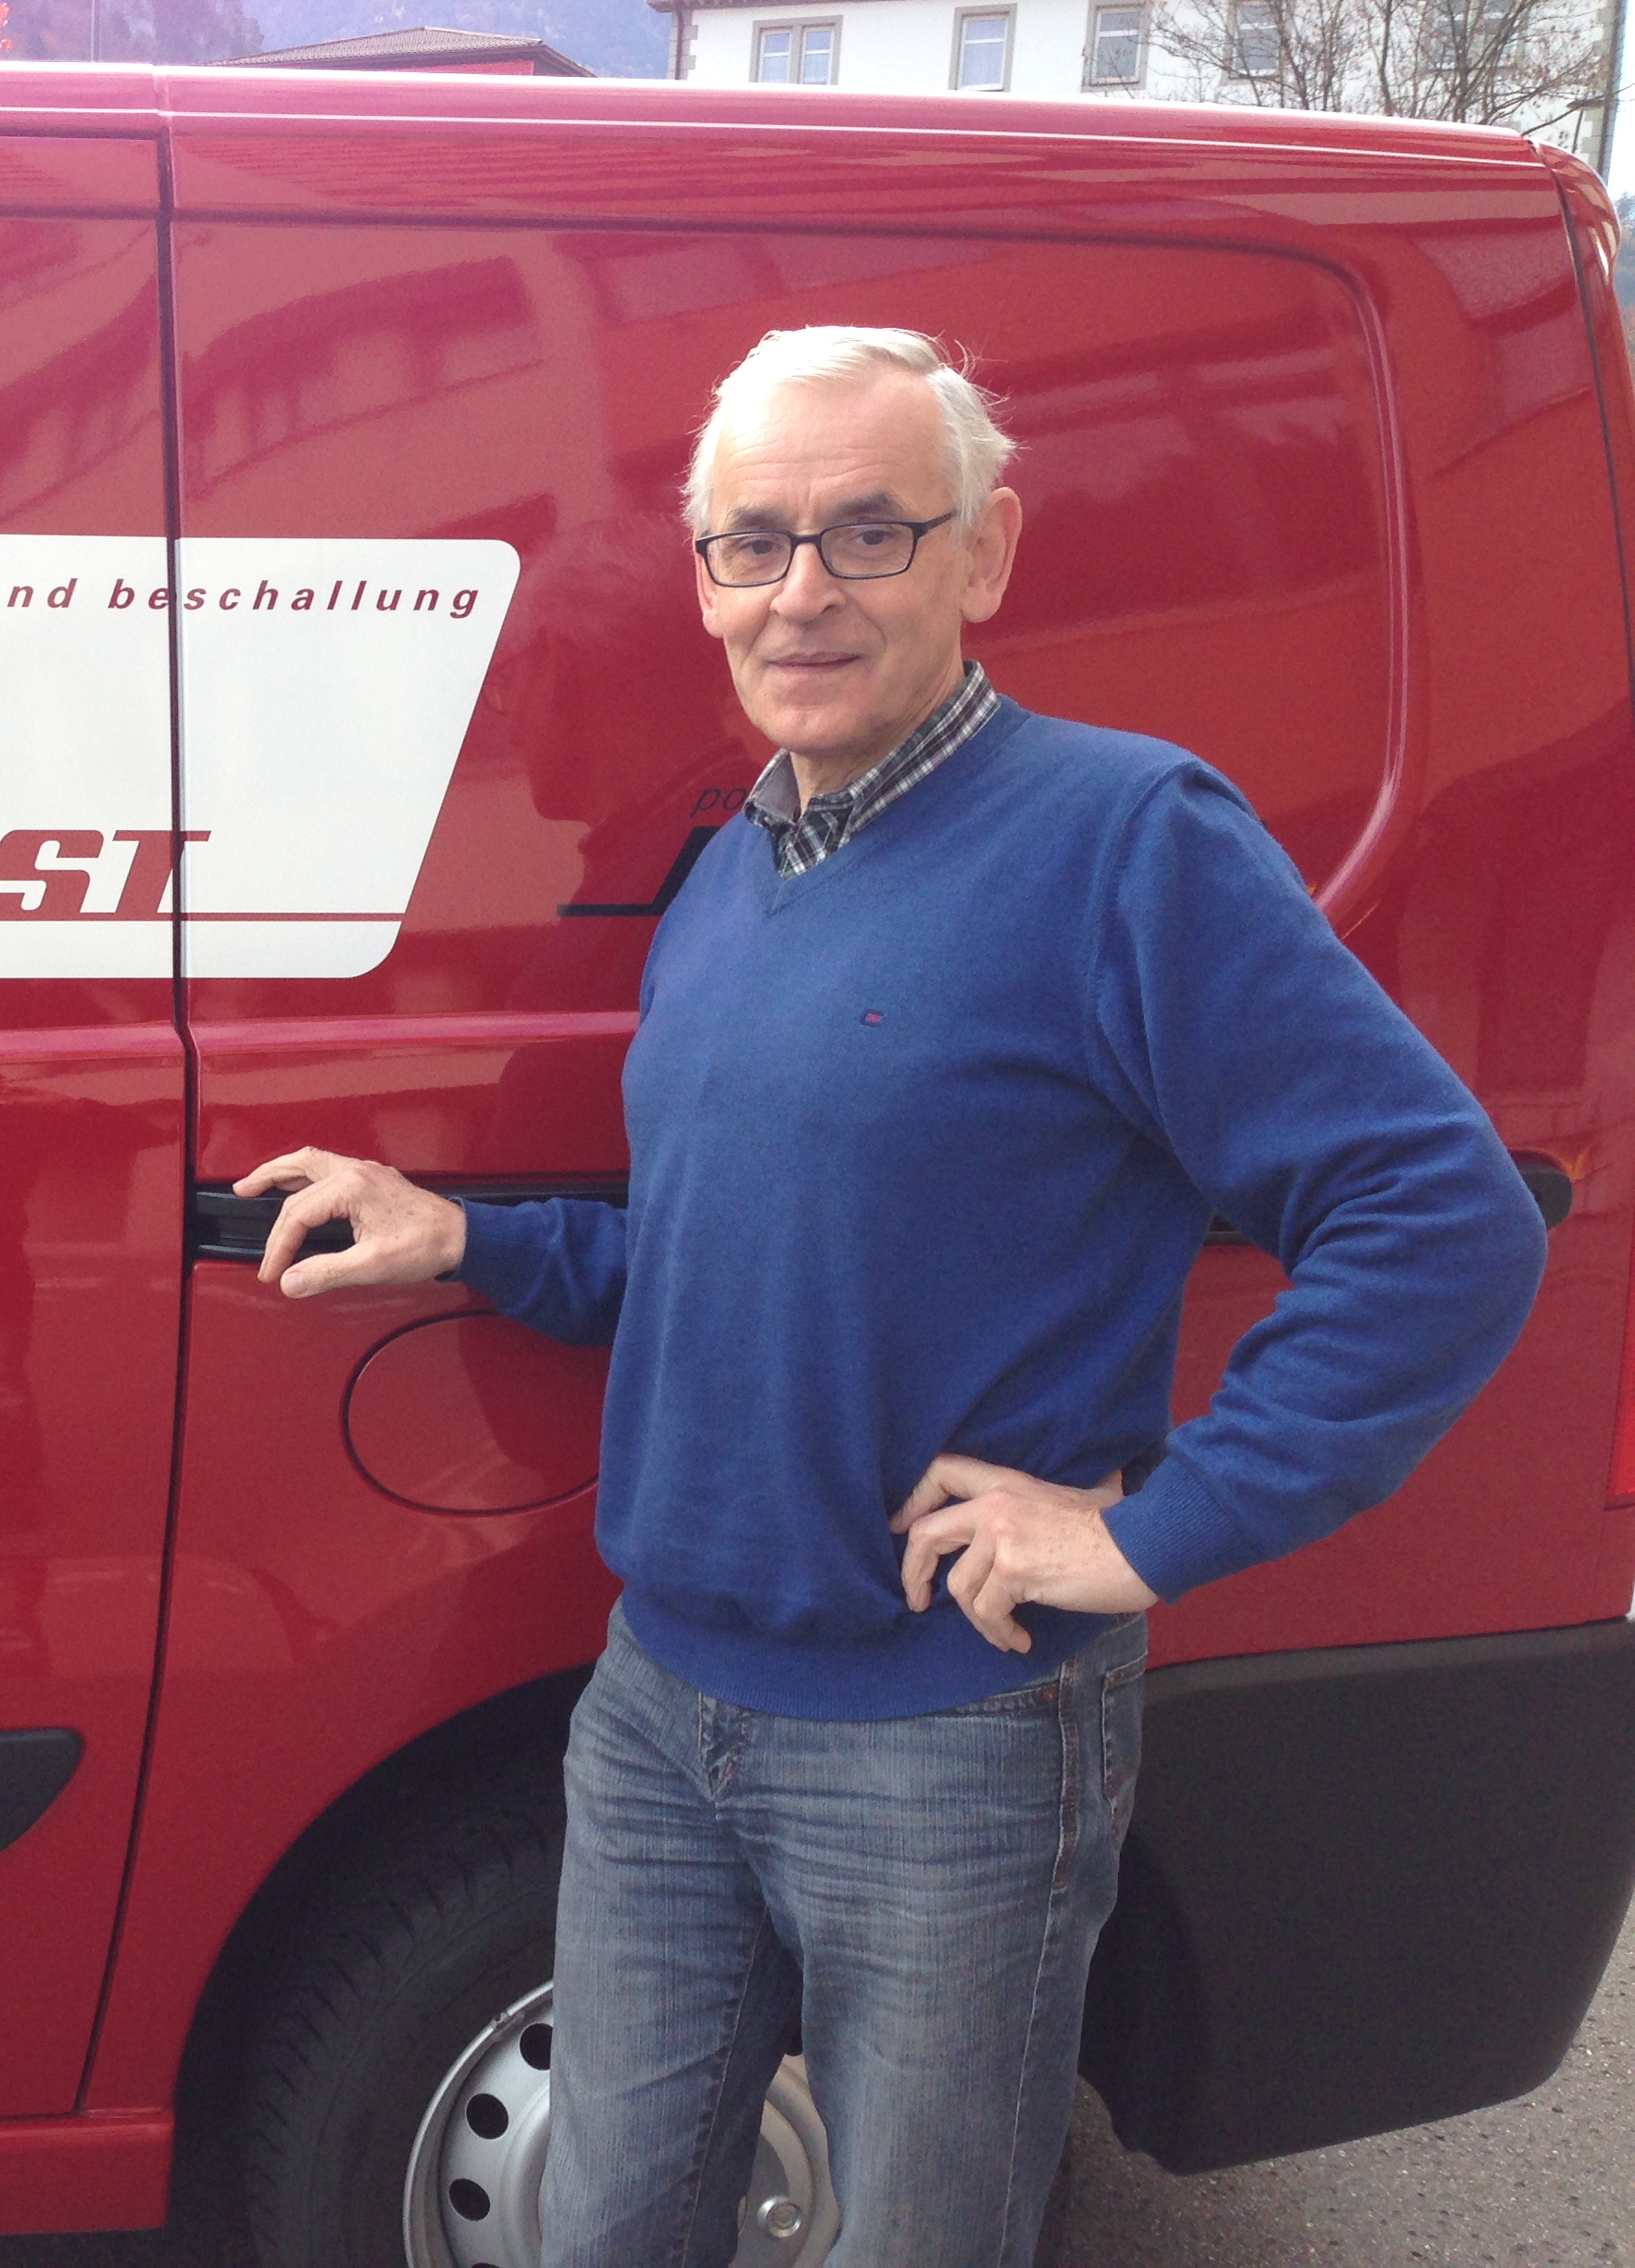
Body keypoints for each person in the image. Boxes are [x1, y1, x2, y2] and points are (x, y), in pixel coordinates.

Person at [234, 326, 1549, 2267]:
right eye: (753, 543)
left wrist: (1158, 1530)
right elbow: (728, 1255)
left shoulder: (1125, 842)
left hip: (951, 1740)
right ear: (703, 580)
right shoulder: (735, 869)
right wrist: (473, 1239)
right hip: (659, 1711)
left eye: (869, 532)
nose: (803, 591)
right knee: (605, 2235)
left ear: (982, 552)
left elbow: (1443, 1217)